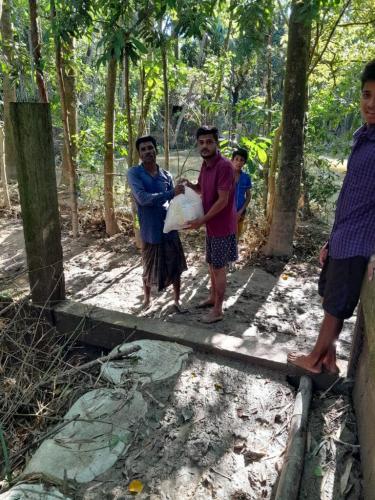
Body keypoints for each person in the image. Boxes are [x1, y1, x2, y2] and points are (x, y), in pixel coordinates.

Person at [288, 60, 375, 374]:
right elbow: (351, 195)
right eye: (367, 95)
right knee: (332, 299)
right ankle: (328, 358)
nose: (371, 104)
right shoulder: (362, 137)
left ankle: (313, 359)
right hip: (344, 235)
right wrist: (331, 239)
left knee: (334, 306)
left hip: (361, 242)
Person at [182, 126, 237, 323]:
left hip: (221, 227)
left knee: (219, 267)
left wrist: (200, 221)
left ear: (217, 143)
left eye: (209, 142)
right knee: (212, 265)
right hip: (211, 226)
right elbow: (202, 190)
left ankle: (218, 310)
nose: (205, 146)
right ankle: (213, 297)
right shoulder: (206, 165)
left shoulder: (224, 166)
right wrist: (190, 186)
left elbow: (222, 200)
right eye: (201, 142)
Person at [127, 135, 187, 311]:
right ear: (139, 154)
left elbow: (174, 201)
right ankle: (147, 300)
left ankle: (177, 300)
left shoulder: (166, 175)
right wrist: (171, 194)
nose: (148, 151)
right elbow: (143, 198)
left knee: (175, 265)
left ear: (156, 150)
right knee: (148, 266)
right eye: (143, 149)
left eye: (150, 148)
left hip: (169, 228)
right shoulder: (134, 173)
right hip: (150, 229)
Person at [232, 148, 252, 239]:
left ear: (244, 162)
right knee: (226, 236)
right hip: (227, 212)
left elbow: (248, 196)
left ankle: (234, 253)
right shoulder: (226, 175)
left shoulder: (246, 177)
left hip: (241, 212)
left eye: (242, 160)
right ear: (232, 160)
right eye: (236, 159)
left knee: (237, 235)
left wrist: (240, 211)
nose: (239, 162)